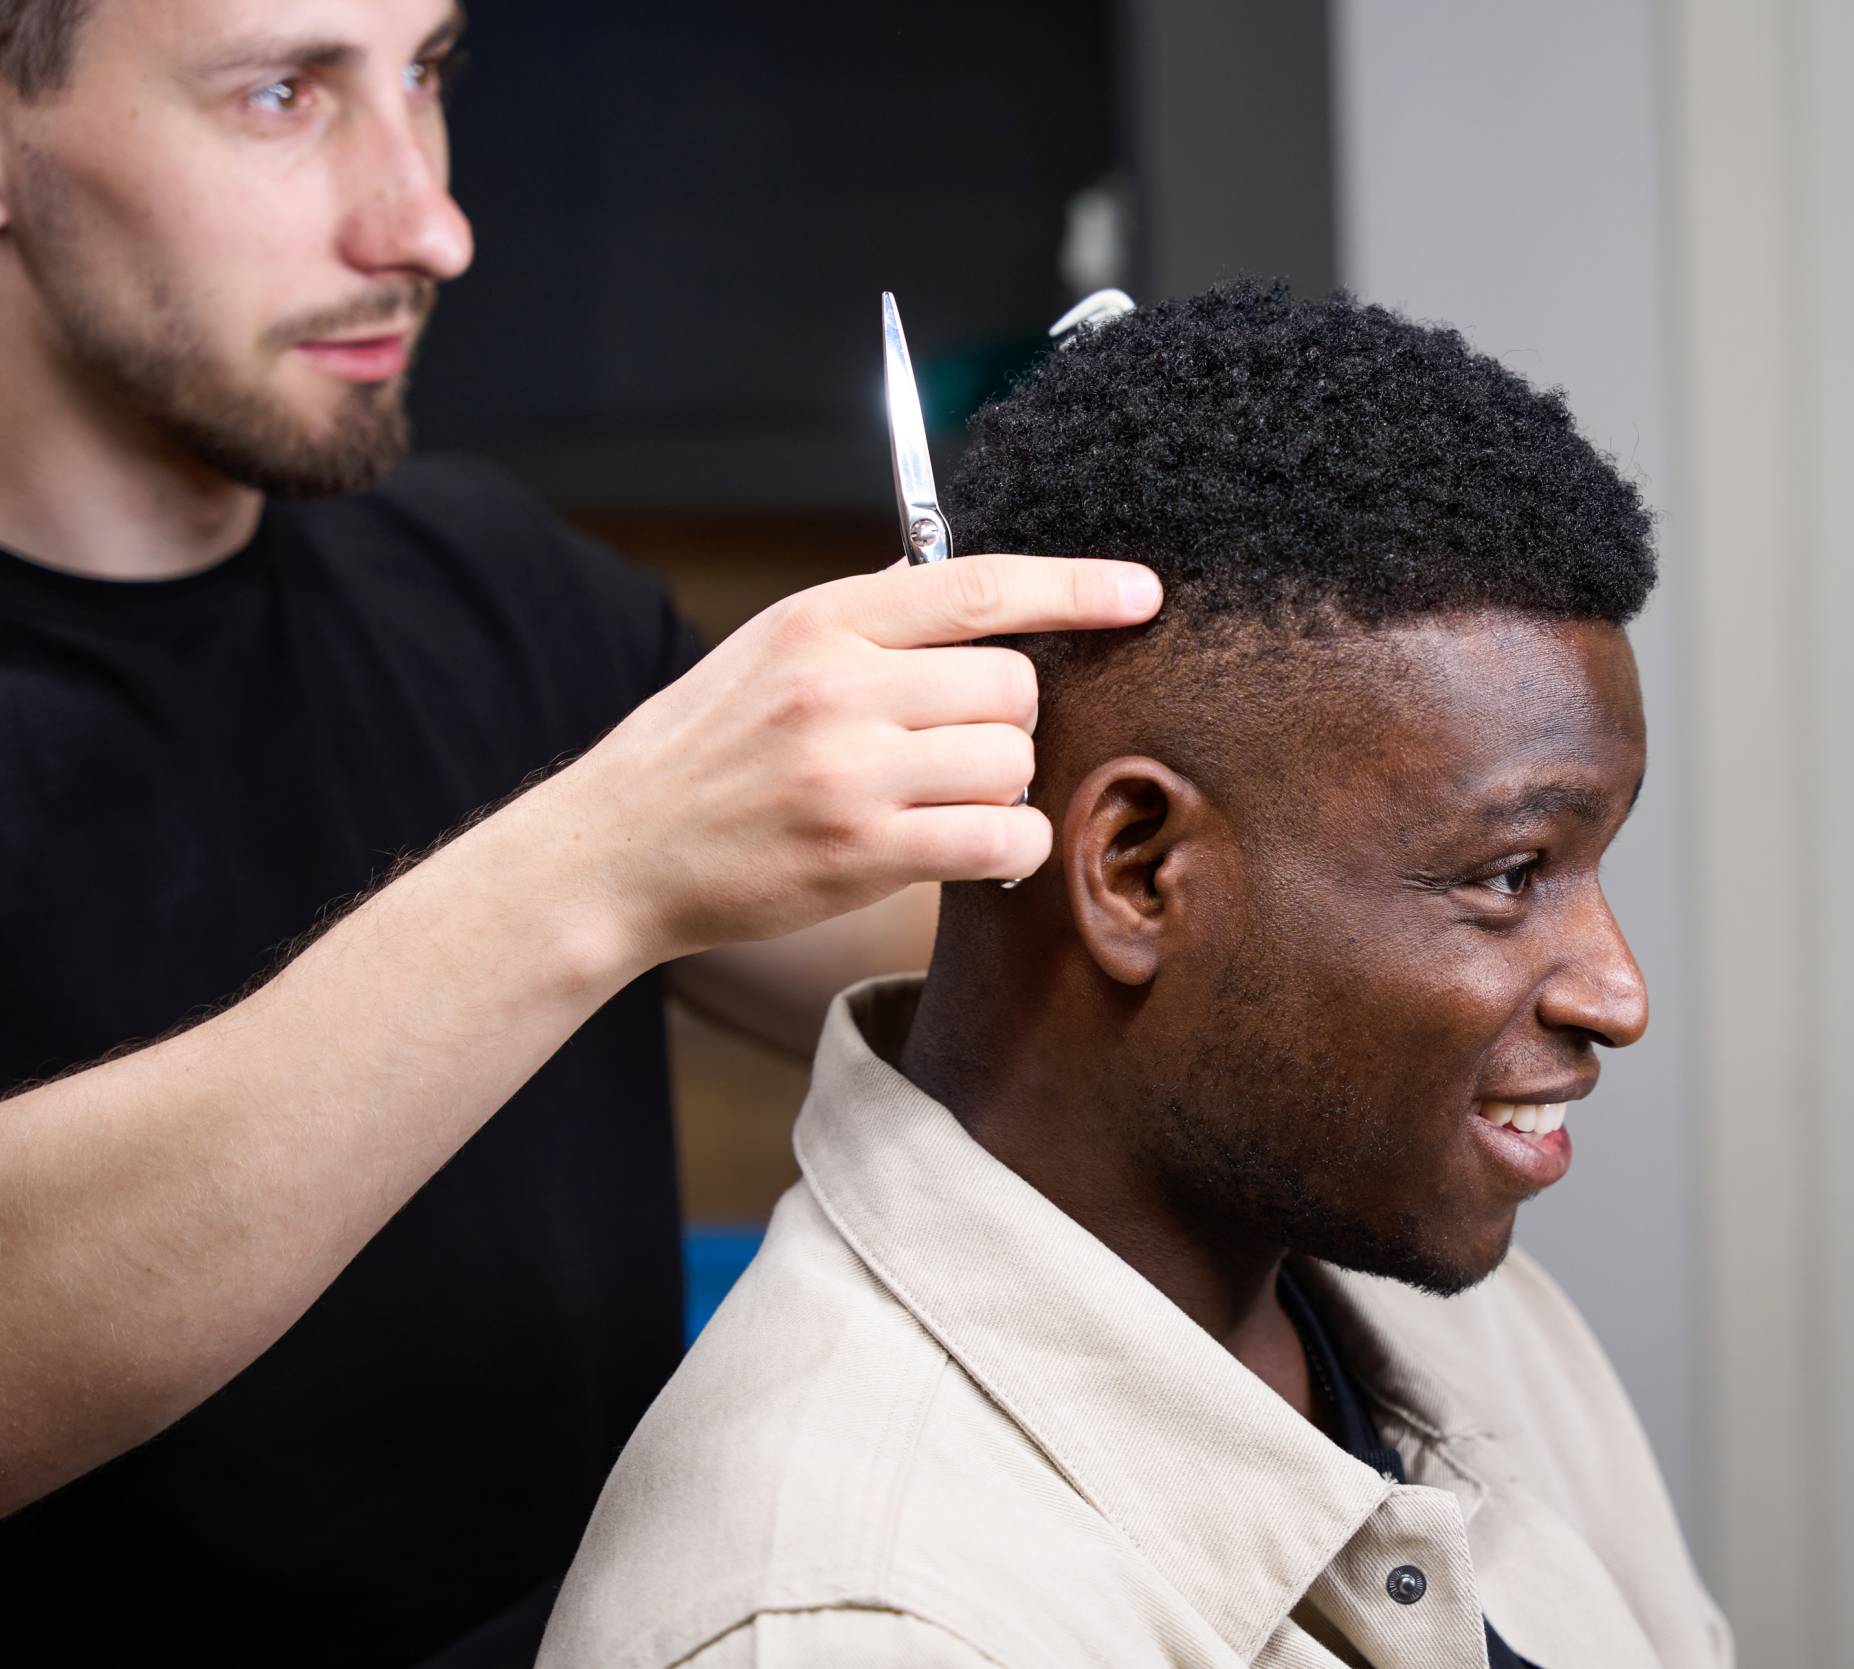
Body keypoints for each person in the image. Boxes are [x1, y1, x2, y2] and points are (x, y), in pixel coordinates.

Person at [0, 1, 1159, 1661]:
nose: (427, 223)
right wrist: (600, 857)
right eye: (279, 93)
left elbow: (1005, 994)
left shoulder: (492, 584)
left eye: (429, 76)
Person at [538, 284, 1731, 1669]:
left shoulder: (1466, 1317)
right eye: (1512, 874)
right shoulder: (858, 1626)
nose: (1618, 992)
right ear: (1137, 868)